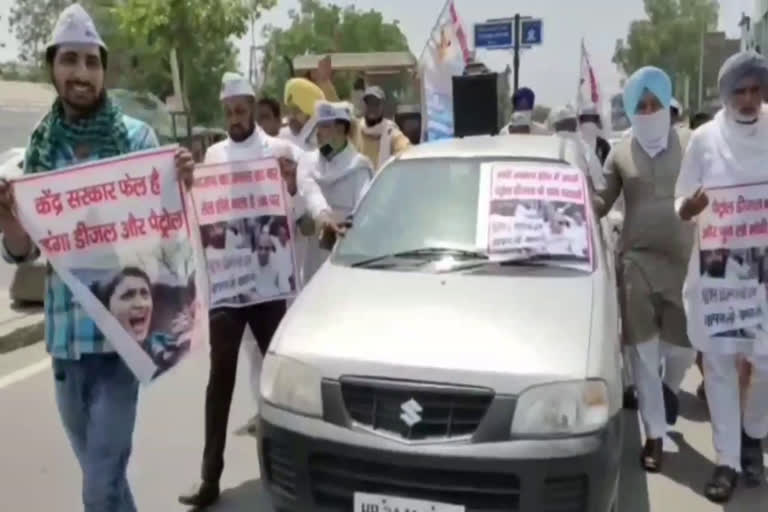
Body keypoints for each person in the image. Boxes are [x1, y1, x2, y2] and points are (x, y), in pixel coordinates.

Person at [0, 5, 194, 511]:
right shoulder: (37, 155)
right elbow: (22, 251)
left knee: (97, 486)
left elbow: (168, 241)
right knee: (105, 480)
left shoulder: (137, 143)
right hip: (65, 345)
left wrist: (181, 187)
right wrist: (7, 217)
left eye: (91, 61)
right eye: (70, 60)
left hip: (119, 344)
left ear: (103, 70)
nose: (81, 73)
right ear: (53, 68)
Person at [179, 72, 303, 508]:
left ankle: (289, 475)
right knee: (221, 380)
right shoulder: (212, 155)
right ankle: (209, 477)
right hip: (229, 285)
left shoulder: (280, 152)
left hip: (268, 284)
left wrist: (291, 185)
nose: (235, 117)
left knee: (279, 380)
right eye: (228, 110)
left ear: (252, 108)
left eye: (241, 109)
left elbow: (302, 202)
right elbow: (201, 212)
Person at [675, 51, 768, 503]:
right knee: (719, 366)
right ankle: (728, 460)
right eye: (740, 91)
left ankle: (753, 433)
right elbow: (681, 199)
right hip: (720, 272)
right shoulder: (703, 140)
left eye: (756, 89)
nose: (749, 99)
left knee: (765, 362)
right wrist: (687, 209)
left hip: (765, 272)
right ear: (727, 94)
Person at [594, 66, 696, 474]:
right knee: (642, 350)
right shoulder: (620, 151)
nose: (650, 111)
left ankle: (670, 389)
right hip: (636, 260)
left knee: (685, 346)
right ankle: (654, 434)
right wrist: (567, 204)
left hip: (685, 260)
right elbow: (602, 201)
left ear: (668, 105)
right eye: (642, 105)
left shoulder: (691, 144)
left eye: (656, 104)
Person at [298, 101, 374, 281]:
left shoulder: (360, 167)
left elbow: (364, 212)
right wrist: (324, 218)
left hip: (347, 265)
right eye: (318, 126)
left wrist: (342, 226)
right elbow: (310, 192)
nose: (318, 133)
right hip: (313, 265)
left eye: (325, 126)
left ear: (341, 128)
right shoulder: (307, 162)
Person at [93, 266, 193, 377]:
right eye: (128, 296)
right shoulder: (92, 365)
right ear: (107, 308)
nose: (141, 304)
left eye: (145, 294)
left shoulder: (159, 341)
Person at [353, 85, 411, 171]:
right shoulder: (355, 128)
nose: (372, 107)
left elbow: (407, 151)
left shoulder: (390, 132)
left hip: (380, 182)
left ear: (383, 106)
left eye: (376, 104)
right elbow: (334, 143)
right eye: (369, 103)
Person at [279, 77, 326, 150]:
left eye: (297, 110)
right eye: (289, 108)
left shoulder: (326, 141)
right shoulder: (280, 134)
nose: (291, 115)